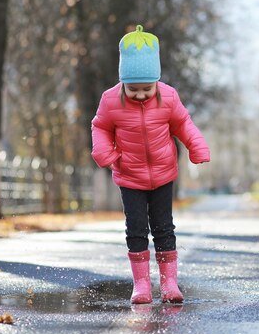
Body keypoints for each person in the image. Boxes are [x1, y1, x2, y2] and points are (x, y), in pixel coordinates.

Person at [90, 25, 210, 304]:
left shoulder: (168, 96)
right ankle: (141, 285)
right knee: (136, 228)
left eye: (147, 88)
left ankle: (169, 284)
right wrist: (104, 153)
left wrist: (197, 145)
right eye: (134, 89)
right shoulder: (110, 100)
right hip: (129, 175)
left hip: (163, 174)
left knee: (164, 227)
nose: (142, 94)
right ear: (123, 83)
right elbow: (100, 128)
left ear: (157, 80)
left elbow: (183, 123)